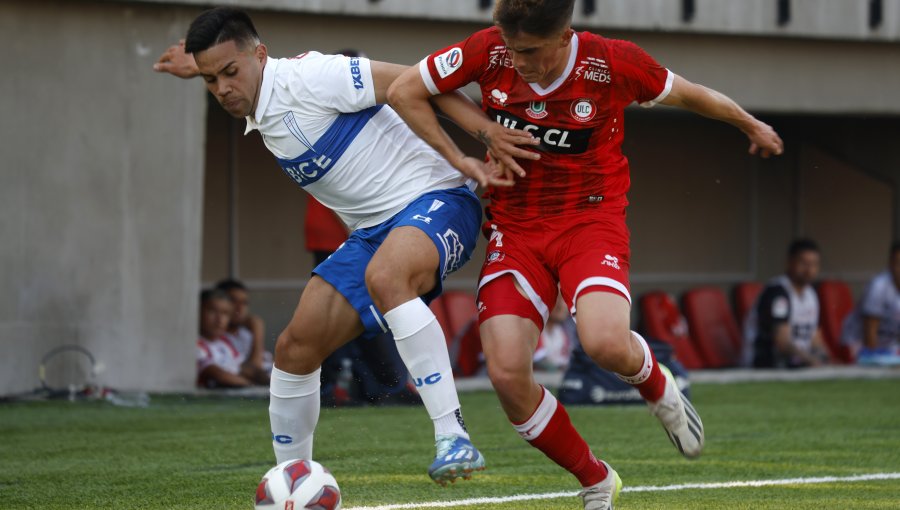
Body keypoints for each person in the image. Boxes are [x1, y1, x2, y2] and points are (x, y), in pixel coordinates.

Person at [387, 0, 784, 506]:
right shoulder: (487, 50)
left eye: (529, 52)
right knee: (507, 376)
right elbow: (407, 89)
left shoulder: (612, 62)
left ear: (564, 35)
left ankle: (656, 383)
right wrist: (479, 138)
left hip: (590, 221)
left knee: (603, 342)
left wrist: (749, 124)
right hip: (517, 228)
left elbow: (690, 94)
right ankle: (596, 479)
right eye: (511, 49)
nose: (518, 62)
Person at [154, 7, 516, 484]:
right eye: (210, 79)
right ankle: (292, 478)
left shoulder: (312, 76)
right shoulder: (253, 94)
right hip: (372, 232)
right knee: (294, 348)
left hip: (439, 200)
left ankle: (453, 435)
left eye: (230, 72)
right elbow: (221, 70)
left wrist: (484, 137)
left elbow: (418, 81)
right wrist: (199, 67)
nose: (221, 87)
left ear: (260, 56)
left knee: (386, 277)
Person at [744, 239, 831, 368]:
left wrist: (824, 357)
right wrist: (811, 360)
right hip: (766, 362)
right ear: (789, 262)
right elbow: (782, 342)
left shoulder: (811, 294)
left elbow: (815, 338)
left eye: (813, 264)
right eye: (803, 263)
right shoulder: (778, 292)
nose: (809, 270)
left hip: (799, 360)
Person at [841, 241, 900, 364]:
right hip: (857, 344)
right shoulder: (879, 286)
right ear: (890, 264)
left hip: (888, 348)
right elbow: (870, 338)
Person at [197, 288, 264, 387]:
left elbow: (249, 370)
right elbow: (221, 376)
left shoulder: (224, 342)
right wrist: (253, 387)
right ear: (198, 312)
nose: (219, 319)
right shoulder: (195, 344)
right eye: (212, 311)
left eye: (225, 313)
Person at [215, 279, 271, 381]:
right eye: (233, 301)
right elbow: (255, 371)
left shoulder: (245, 334)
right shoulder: (215, 339)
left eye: (244, 303)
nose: (240, 308)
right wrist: (258, 329)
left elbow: (268, 362)